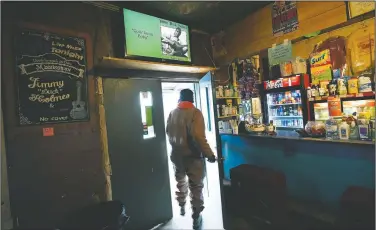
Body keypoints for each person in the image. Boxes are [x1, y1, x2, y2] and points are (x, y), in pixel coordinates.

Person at [166, 89, 216, 229]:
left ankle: (181, 205)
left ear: (180, 99)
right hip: (192, 156)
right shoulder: (195, 113)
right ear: (192, 99)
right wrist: (209, 154)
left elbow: (168, 131)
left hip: (176, 155)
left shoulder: (172, 113)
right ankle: (196, 216)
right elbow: (198, 136)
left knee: (180, 180)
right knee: (196, 186)